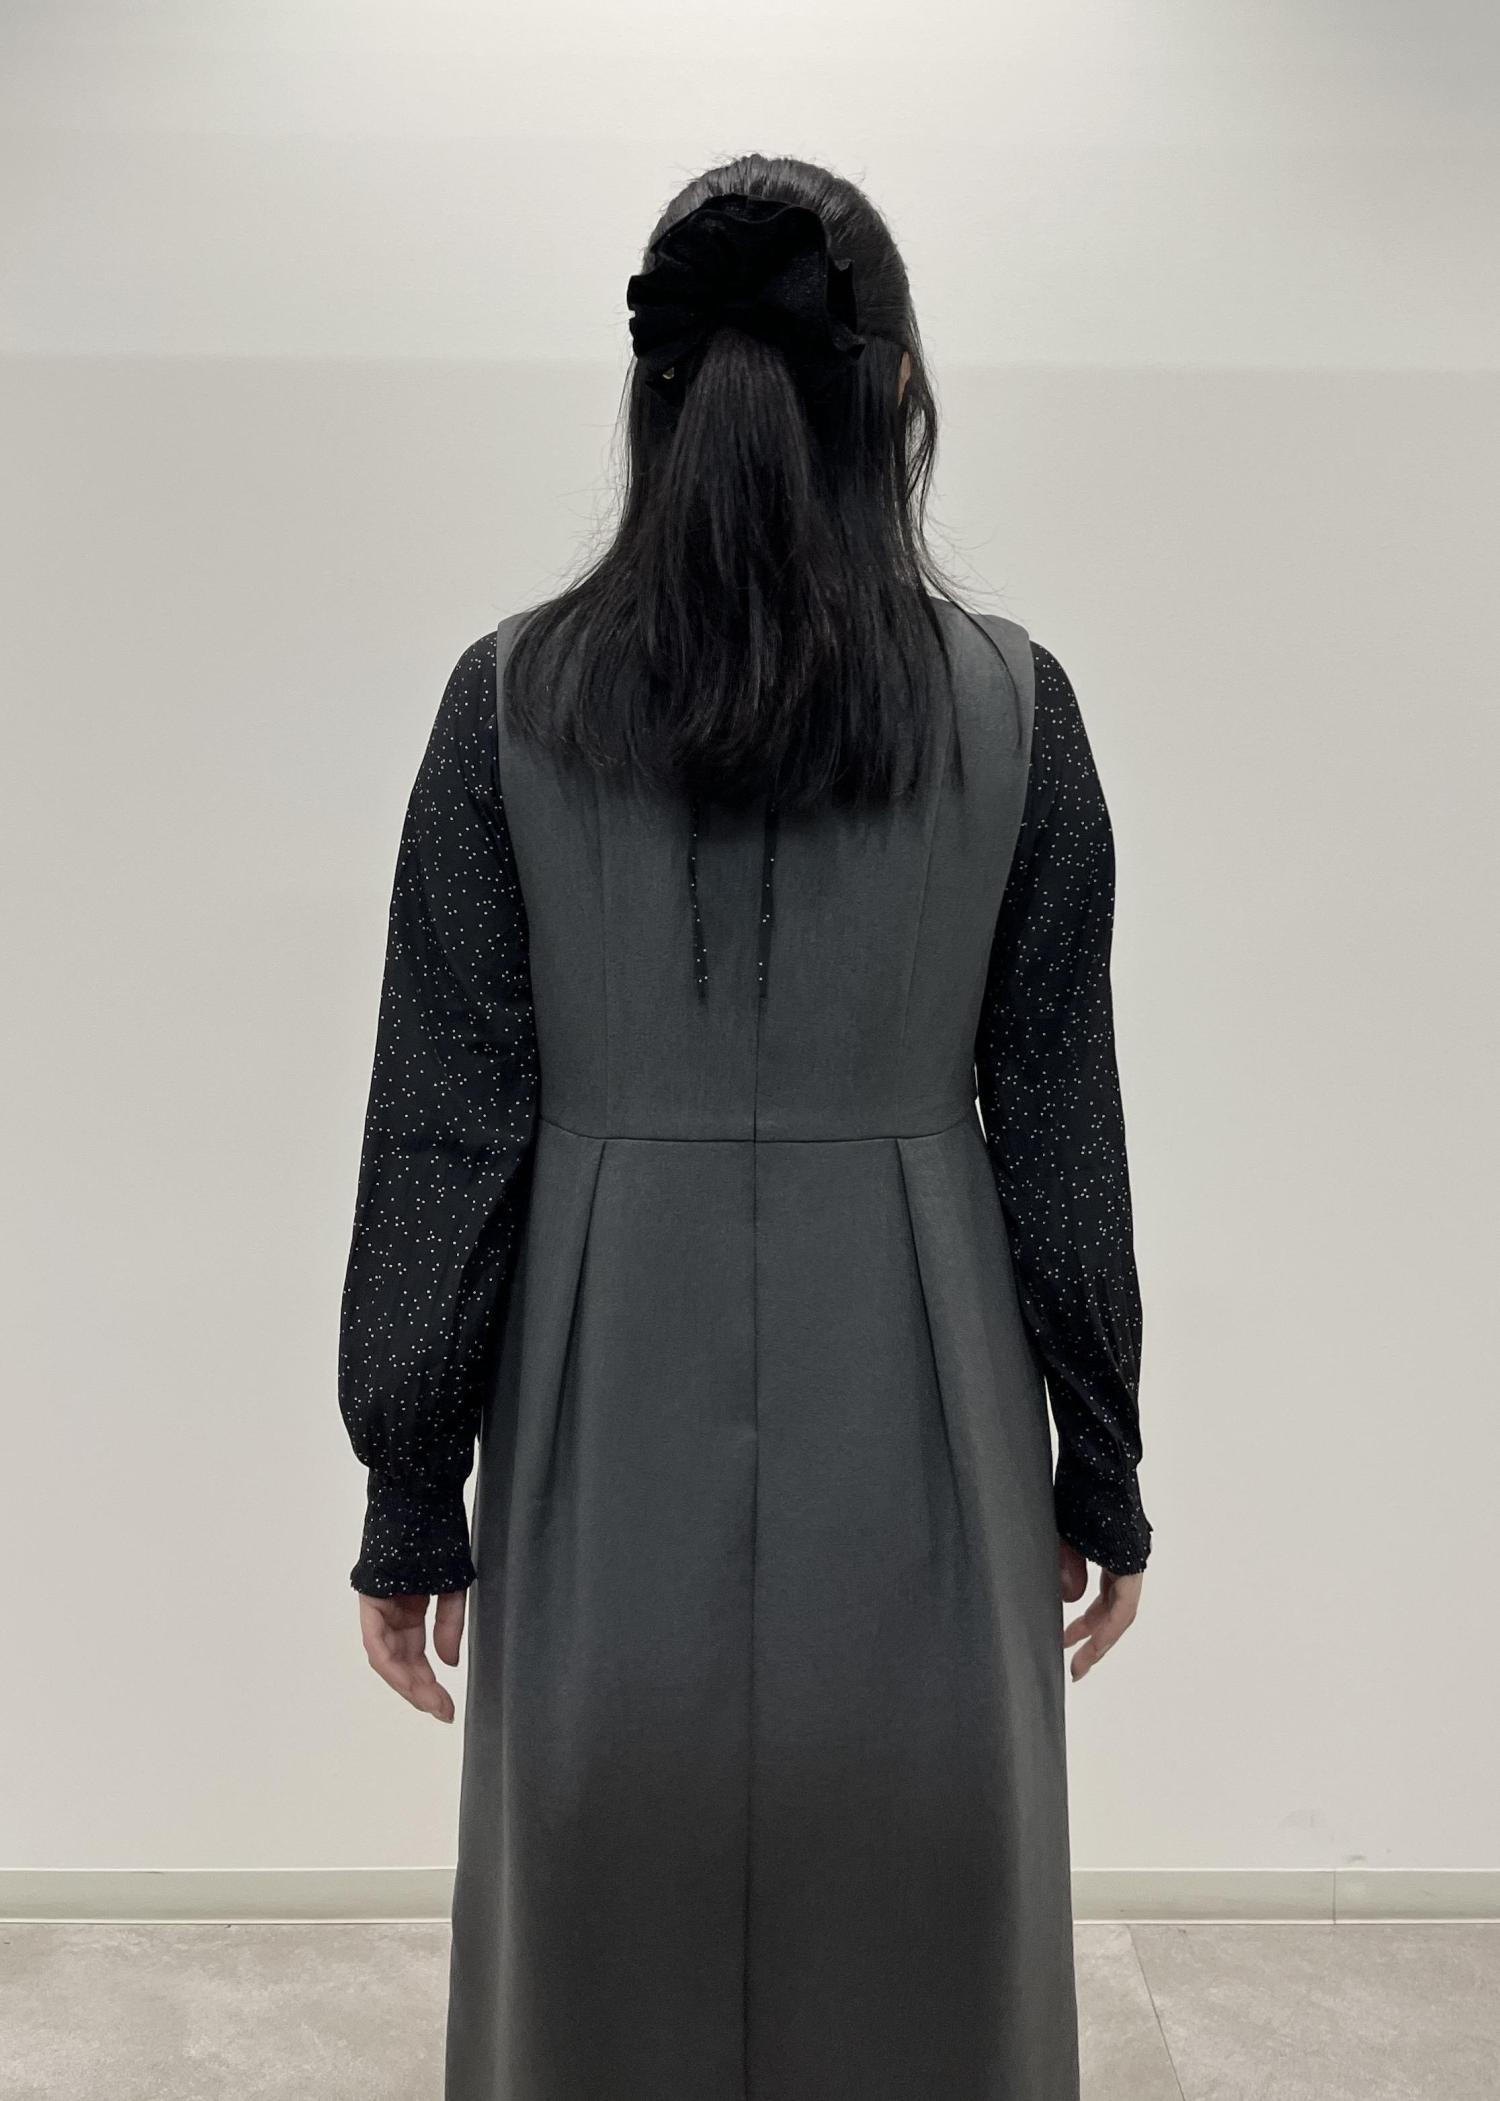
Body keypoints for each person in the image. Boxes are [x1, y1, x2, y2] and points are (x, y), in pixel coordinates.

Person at [338, 154, 1151, 2101]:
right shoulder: (1014, 710)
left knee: (592, 1954)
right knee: (927, 1951)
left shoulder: (509, 703)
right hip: (924, 1393)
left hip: (601, 1388)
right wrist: (1100, 1461)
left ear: (657, 399)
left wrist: (409, 1488)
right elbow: (1057, 1120)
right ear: (898, 398)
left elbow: (450, 1127)